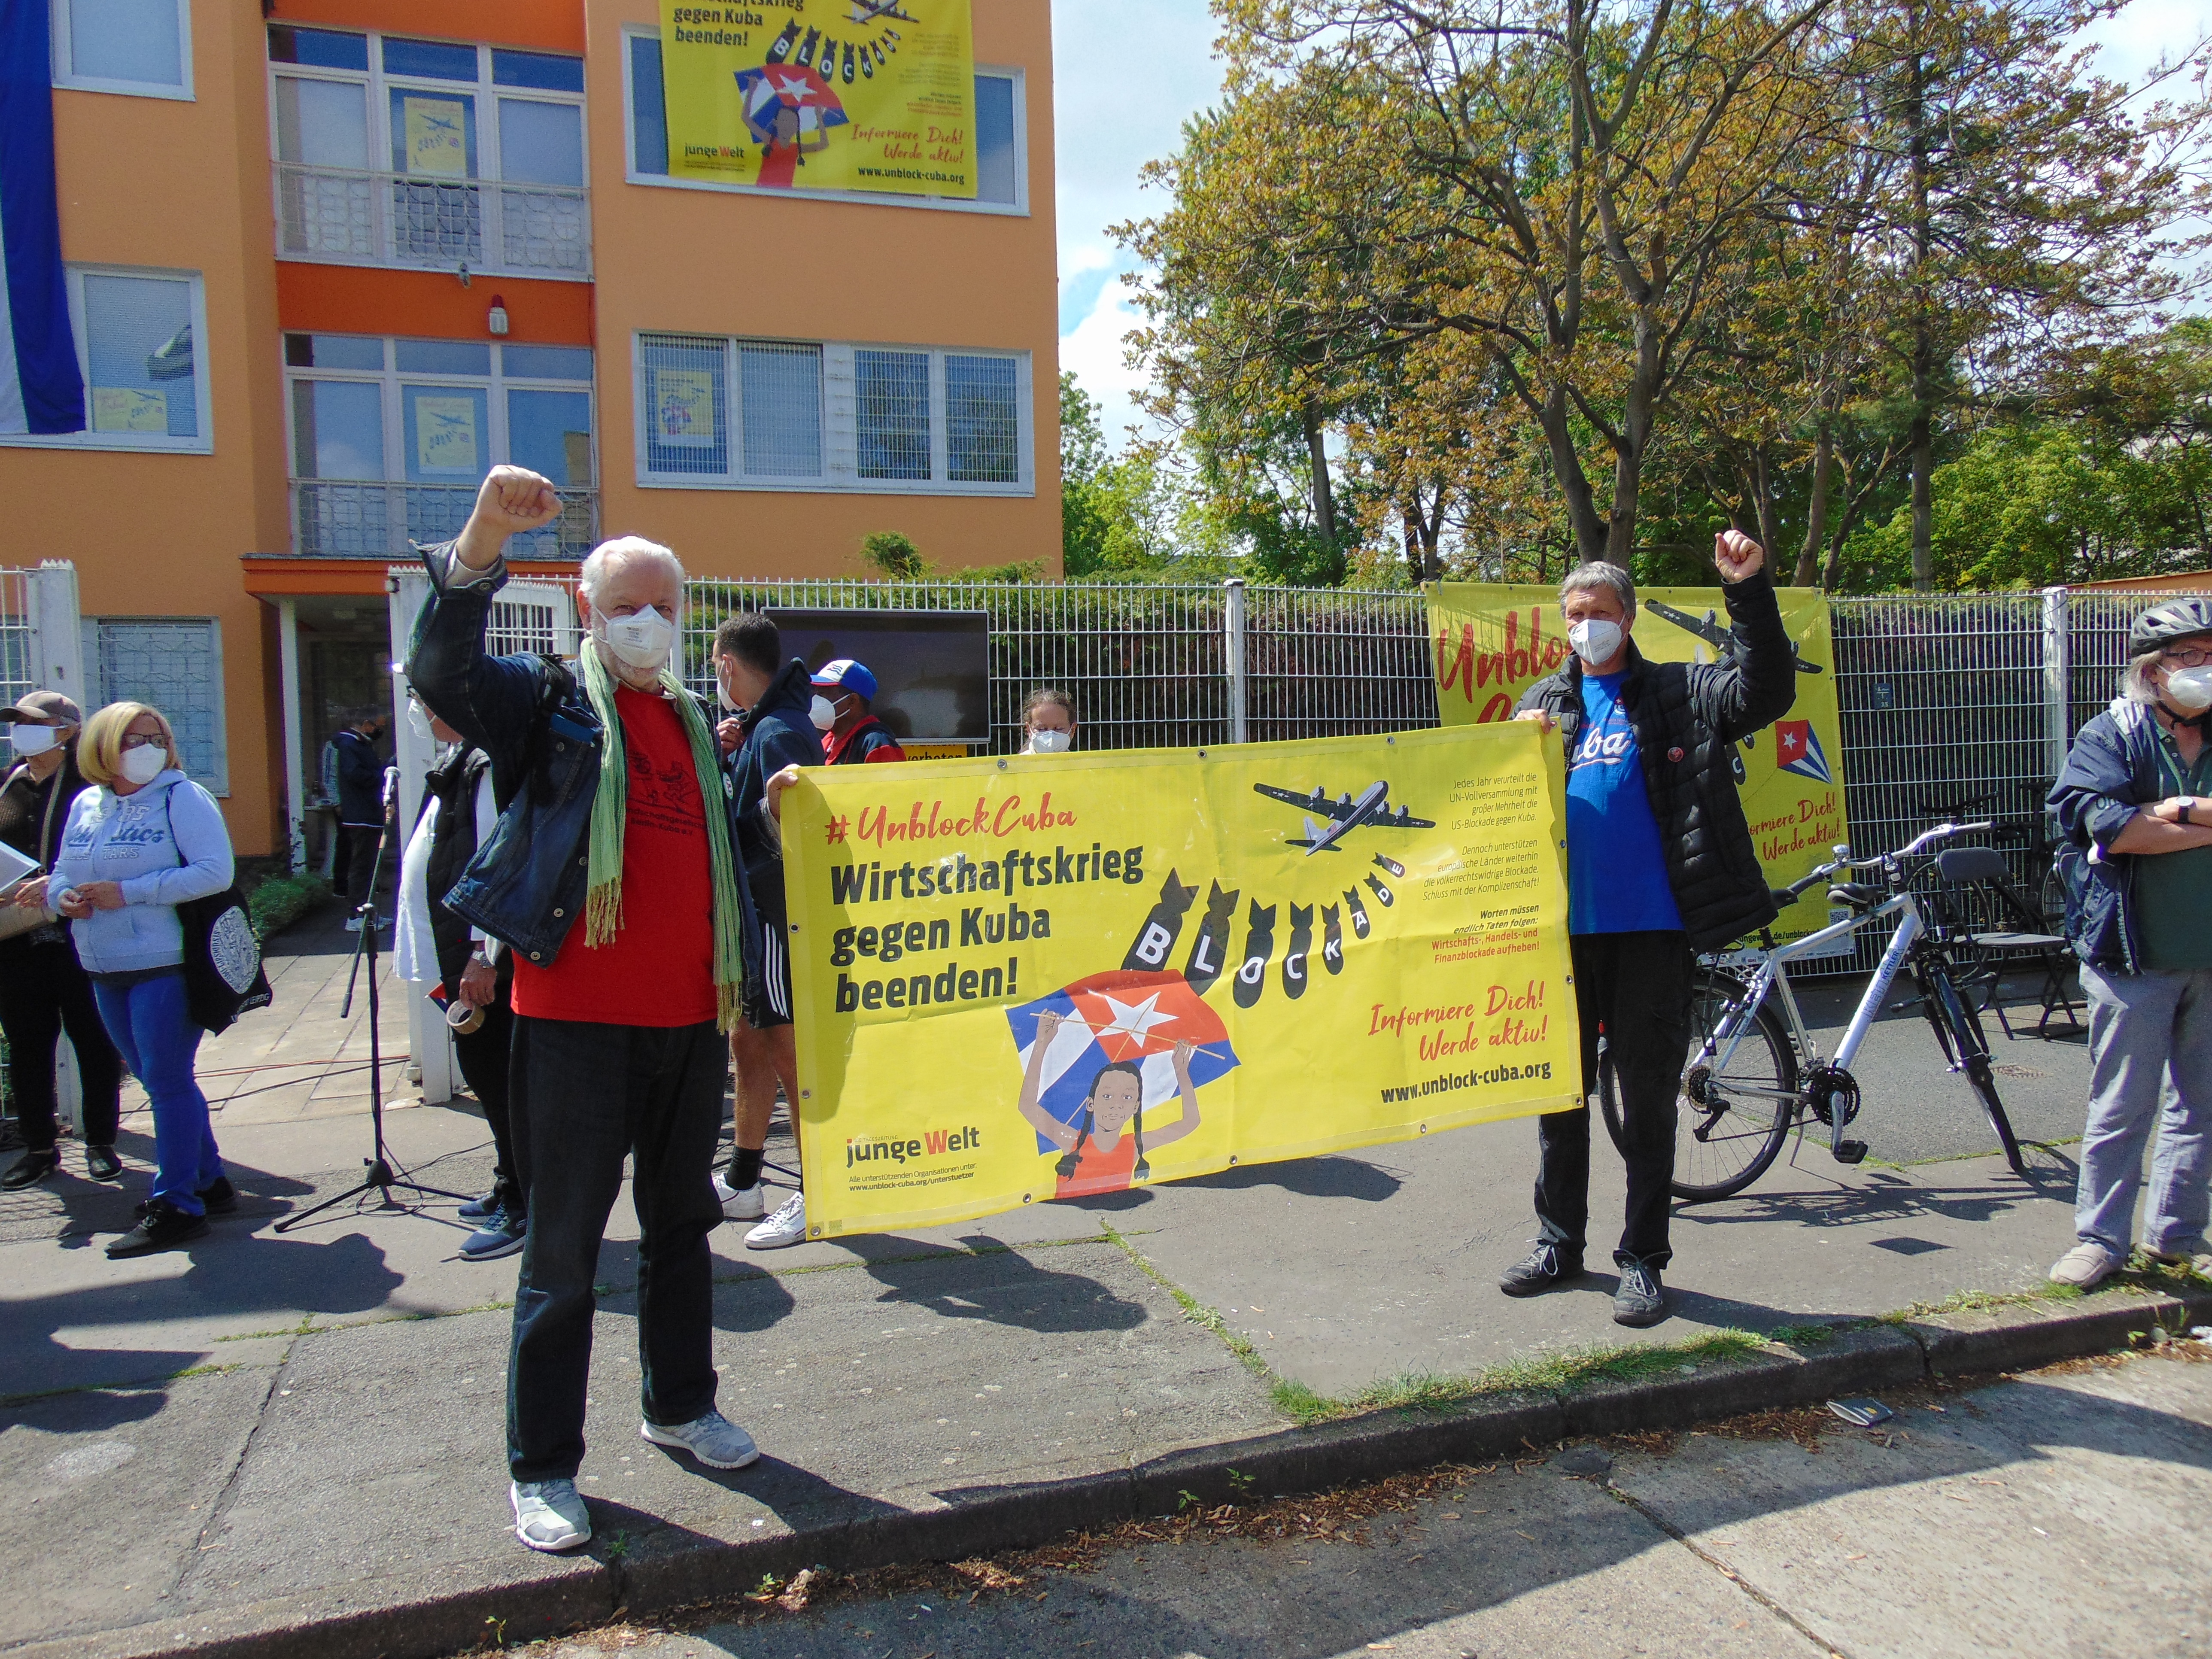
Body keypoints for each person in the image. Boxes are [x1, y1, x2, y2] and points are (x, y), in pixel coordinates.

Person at [409, 465, 788, 1557]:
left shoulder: (697, 726)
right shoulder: (552, 705)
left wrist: (772, 812)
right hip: (572, 1024)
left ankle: (680, 1404)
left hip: (684, 1025)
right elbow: (443, 666)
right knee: (566, 1251)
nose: (646, 622)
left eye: (663, 605)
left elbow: (728, 859)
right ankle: (542, 1467)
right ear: (588, 610)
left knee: (682, 1229)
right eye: (625, 605)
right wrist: (482, 539)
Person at [1504, 532, 1796, 1326]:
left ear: (1627, 619)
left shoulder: (1677, 692)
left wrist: (1747, 590)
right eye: (1572, 614)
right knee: (1558, 1096)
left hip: (1652, 932)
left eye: (1598, 612)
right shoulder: (1542, 704)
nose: (1584, 625)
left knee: (1646, 1102)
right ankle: (1558, 1240)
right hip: (1563, 938)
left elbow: (1765, 690)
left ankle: (1641, 1259)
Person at [2045, 596, 2212, 1288]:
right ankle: (2100, 1241)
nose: (2203, 667)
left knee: (2200, 1107)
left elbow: (2143, 825)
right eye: (2188, 656)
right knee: (2121, 1105)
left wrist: (2172, 810)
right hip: (2133, 956)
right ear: (2152, 670)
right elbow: (2108, 827)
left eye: (2211, 654)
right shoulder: (2112, 735)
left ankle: (2176, 1237)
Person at [47, 702, 237, 1258]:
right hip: (103, 964)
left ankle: (177, 1205)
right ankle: (209, 1180)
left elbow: (213, 872)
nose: (147, 746)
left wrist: (131, 892)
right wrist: (65, 898)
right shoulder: (88, 803)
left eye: (156, 736)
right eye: (133, 738)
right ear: (105, 745)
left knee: (167, 1080)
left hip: (164, 961)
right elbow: (63, 869)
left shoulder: (183, 797)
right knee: (163, 1082)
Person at [392, 692, 523, 1263]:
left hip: (480, 961)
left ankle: (522, 1205)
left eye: (423, 698)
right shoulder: (461, 760)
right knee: (489, 1078)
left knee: (500, 1083)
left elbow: (498, 863)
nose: (417, 709)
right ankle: (506, 1184)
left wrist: (482, 956)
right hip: (456, 955)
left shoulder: (487, 766)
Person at [709, 611, 825, 1249]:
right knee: (747, 1043)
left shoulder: (779, 731)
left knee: (791, 1057)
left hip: (781, 919)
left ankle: (818, 1191)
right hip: (759, 919)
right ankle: (744, 1178)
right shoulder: (764, 728)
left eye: (715, 665)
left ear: (728, 664)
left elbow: (793, 833)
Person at [0, 693, 126, 1191]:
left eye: (34, 723)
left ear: (68, 730)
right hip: (15, 939)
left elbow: (107, 853)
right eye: (16, 723)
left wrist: (53, 881)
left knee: (93, 1040)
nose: (20, 732)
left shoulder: (91, 786)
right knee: (28, 1045)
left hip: (78, 932)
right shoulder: (9, 781)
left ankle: (100, 1142)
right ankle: (38, 1147)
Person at [1017, 1018, 1200, 1198]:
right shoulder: (1072, 1142)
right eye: (1107, 1096)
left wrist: (1181, 1072)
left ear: (1136, 1107)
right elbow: (1027, 1106)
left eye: (1127, 1097)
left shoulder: (1135, 1147)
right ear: (1091, 1103)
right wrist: (1042, 1042)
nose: (1116, 1105)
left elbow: (1190, 1122)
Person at [332, 713, 391, 929]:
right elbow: (354, 774)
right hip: (361, 816)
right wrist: (382, 776)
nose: (379, 731)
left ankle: (368, 914)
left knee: (368, 867)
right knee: (361, 867)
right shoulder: (350, 745)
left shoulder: (358, 745)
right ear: (366, 724)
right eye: (378, 726)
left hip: (367, 815)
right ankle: (356, 916)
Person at [814, 659, 906, 765]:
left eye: (822, 693)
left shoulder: (878, 745)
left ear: (852, 700)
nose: (816, 699)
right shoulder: (827, 741)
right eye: (816, 693)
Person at [1021, 687, 1077, 755]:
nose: (1051, 737)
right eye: (1041, 729)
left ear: (1073, 730)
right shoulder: (1018, 764)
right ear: (1029, 730)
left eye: (1059, 729)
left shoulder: (1080, 764)